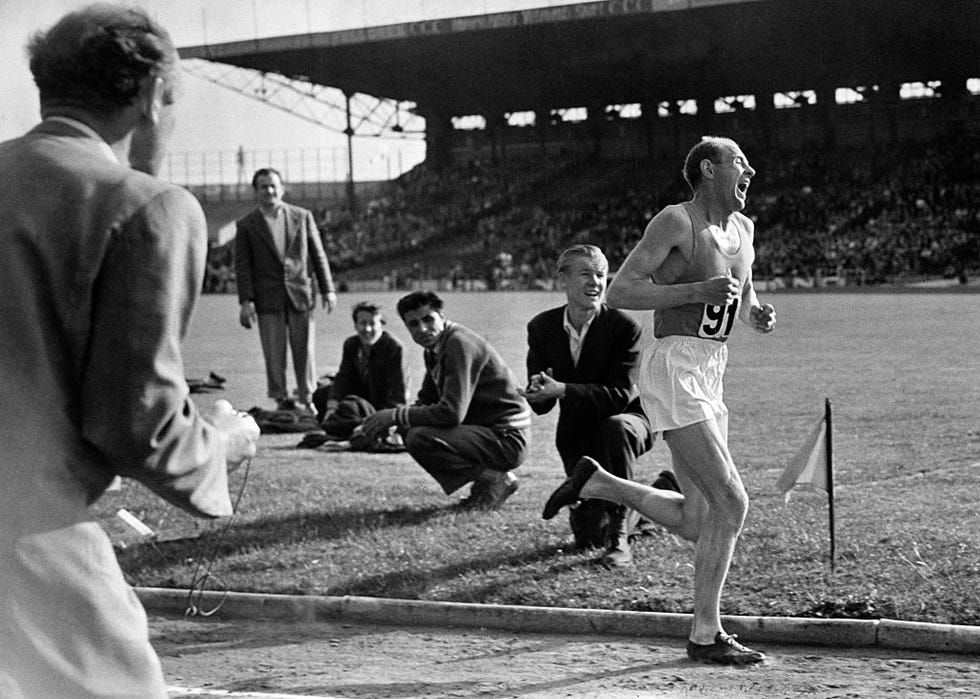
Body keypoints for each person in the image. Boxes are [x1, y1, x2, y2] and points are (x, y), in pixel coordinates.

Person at [0, 6, 260, 697]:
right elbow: (135, 424)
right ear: (151, 96)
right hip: (32, 543)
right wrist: (224, 442)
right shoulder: (146, 205)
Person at [542, 136, 776, 665]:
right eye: (741, 162)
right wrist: (693, 293)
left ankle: (597, 481)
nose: (752, 170)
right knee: (733, 502)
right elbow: (622, 291)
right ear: (708, 170)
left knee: (697, 520)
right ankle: (705, 633)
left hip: (711, 368)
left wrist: (756, 314)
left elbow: (742, 292)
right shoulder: (676, 220)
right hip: (673, 365)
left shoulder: (744, 229)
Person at [525, 244, 671, 568]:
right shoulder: (541, 328)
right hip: (577, 431)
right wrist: (539, 394)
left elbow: (620, 396)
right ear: (562, 280)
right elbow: (543, 405)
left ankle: (620, 540)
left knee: (614, 427)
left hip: (632, 419)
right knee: (588, 535)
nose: (596, 282)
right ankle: (661, 492)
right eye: (585, 274)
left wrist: (562, 389)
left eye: (601, 274)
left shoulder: (623, 326)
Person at [362, 291, 531, 509]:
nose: (422, 329)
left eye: (428, 319)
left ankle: (496, 480)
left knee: (420, 437)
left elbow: (451, 412)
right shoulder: (435, 348)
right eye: (413, 324)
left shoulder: (458, 343)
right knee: (408, 429)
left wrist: (395, 415)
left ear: (442, 315)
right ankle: (488, 485)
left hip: (507, 438)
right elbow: (426, 400)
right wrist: (391, 422)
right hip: (488, 431)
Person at [235, 166, 337, 413]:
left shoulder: (302, 217)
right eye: (263, 186)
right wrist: (246, 301)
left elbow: (317, 254)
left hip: (300, 293)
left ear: (282, 188)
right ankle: (281, 397)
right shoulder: (247, 225)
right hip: (267, 297)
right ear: (255, 191)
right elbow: (243, 266)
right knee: (274, 352)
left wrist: (328, 289)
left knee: (305, 350)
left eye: (273, 185)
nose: (269, 190)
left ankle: (307, 397)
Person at [313, 301, 408, 439]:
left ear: (381, 324)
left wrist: (388, 418)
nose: (367, 329)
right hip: (359, 397)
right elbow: (344, 377)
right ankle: (339, 422)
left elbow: (399, 391)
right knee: (321, 394)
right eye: (363, 323)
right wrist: (331, 406)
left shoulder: (394, 348)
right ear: (356, 325)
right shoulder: (351, 344)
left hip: (380, 404)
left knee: (349, 407)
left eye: (372, 323)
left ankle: (351, 424)